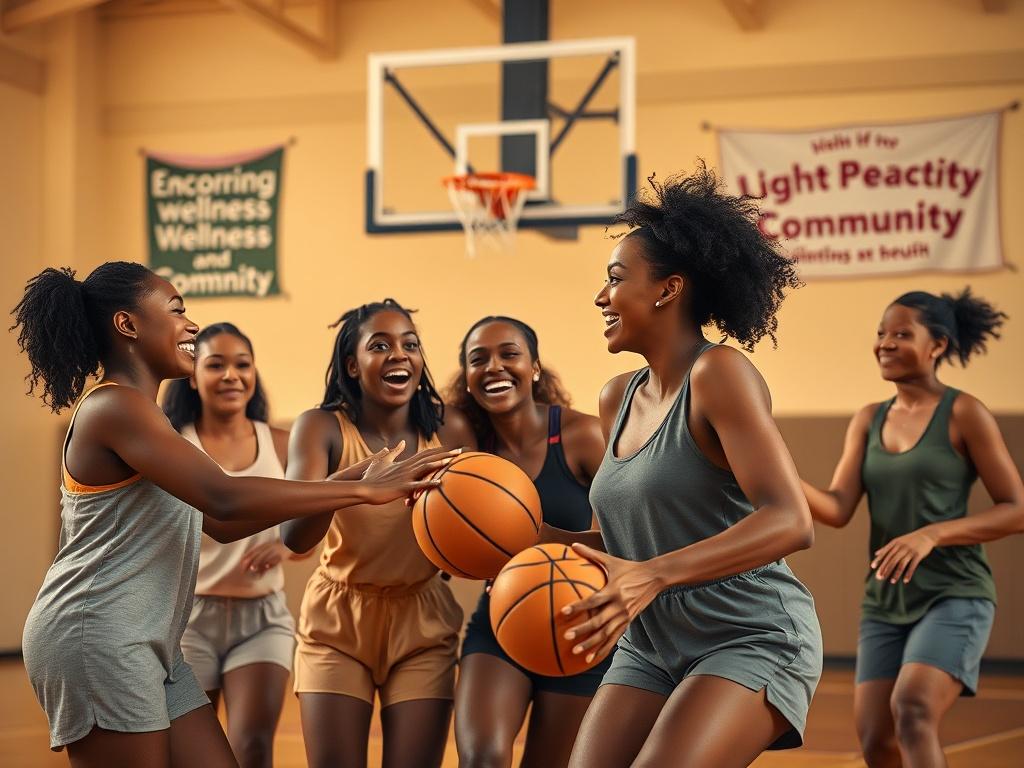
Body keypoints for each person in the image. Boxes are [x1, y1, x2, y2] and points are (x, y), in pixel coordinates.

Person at [13, 264, 455, 768]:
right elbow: (224, 497)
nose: (192, 326)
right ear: (128, 325)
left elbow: (222, 522)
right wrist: (362, 493)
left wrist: (350, 481)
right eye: (177, 310)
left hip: (151, 642)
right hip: (98, 636)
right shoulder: (114, 408)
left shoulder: (146, 416)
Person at [562, 167, 823, 768]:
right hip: (650, 643)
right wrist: (502, 533)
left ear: (667, 289)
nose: (601, 297)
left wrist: (652, 574)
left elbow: (791, 521)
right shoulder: (616, 397)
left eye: (615, 279)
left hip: (750, 634)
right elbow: (621, 543)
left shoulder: (719, 375)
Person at [801, 289, 1023, 768]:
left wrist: (932, 534)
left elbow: (1016, 509)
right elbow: (838, 507)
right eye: (882, 333)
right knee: (876, 739)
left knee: (914, 709)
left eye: (902, 334)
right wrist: (779, 474)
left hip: (955, 592)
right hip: (885, 599)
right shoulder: (868, 419)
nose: (885, 343)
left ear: (937, 345)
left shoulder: (965, 413)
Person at [280, 299, 476, 768]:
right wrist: (361, 484)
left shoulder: (449, 429)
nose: (399, 354)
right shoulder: (321, 427)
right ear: (353, 363)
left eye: (410, 344)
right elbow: (295, 537)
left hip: (422, 618)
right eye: (380, 345)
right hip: (337, 620)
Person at [446, 316, 608, 768]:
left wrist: (537, 538)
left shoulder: (583, 435)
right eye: (479, 359)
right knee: (482, 758)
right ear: (468, 378)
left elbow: (634, 538)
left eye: (509, 354)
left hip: (579, 626)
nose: (494, 366)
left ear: (535, 368)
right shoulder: (471, 453)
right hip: (500, 618)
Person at [163, 322, 311, 768]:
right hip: (188, 621)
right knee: (191, 755)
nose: (232, 375)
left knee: (252, 746)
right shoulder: (172, 444)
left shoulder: (282, 444)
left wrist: (285, 550)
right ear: (192, 375)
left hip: (262, 620)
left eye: (242, 364)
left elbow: (307, 537)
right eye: (216, 364)